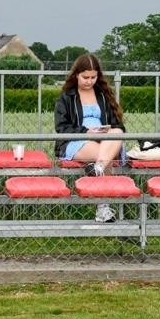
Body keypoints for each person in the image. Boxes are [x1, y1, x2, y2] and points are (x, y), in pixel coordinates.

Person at [53, 53, 127, 223]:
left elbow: (118, 124)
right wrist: (87, 132)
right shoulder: (67, 97)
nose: (89, 81)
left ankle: (97, 168)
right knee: (105, 157)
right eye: (85, 77)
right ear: (76, 75)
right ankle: (103, 207)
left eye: (93, 77)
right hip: (76, 141)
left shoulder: (103, 95)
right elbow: (61, 127)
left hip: (105, 141)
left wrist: (105, 131)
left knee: (118, 133)